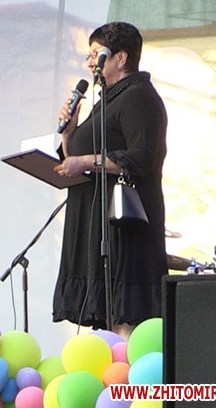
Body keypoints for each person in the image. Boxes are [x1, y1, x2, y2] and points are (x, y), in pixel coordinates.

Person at [53, 21, 167, 338]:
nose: (90, 62)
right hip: (94, 220)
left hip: (121, 227)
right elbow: (75, 157)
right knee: (105, 319)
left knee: (124, 318)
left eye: (96, 54)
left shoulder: (138, 96)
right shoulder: (108, 99)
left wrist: (84, 161)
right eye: (89, 56)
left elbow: (142, 157)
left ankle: (128, 370)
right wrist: (69, 133)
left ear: (121, 57)